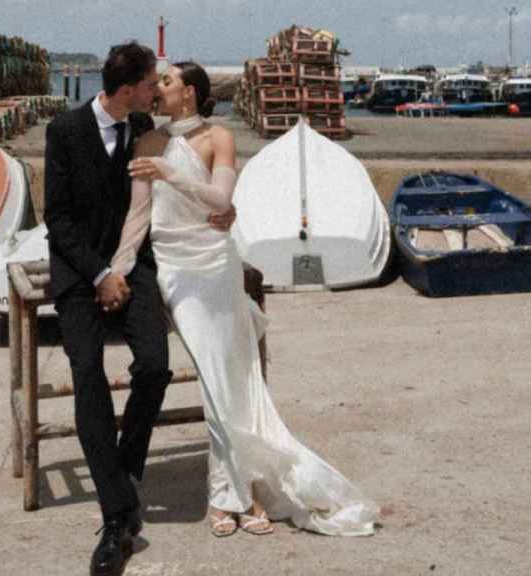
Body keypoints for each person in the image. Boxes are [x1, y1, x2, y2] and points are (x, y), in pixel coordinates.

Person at [117, 62, 379, 538]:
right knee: (217, 379)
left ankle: (245, 492)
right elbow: (137, 221)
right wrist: (115, 270)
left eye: (168, 81)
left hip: (218, 264)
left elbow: (219, 202)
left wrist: (173, 174)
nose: (158, 88)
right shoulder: (147, 144)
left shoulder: (219, 138)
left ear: (190, 93)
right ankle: (231, 494)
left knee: (238, 380)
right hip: (177, 270)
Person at [44, 44, 234, 576]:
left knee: (153, 366)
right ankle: (117, 518)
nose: (157, 90)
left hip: (138, 267)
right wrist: (101, 275)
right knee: (87, 375)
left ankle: (122, 471)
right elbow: (56, 220)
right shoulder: (64, 131)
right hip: (81, 273)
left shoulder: (146, 126)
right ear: (128, 88)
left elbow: (181, 186)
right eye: (152, 82)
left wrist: (228, 208)